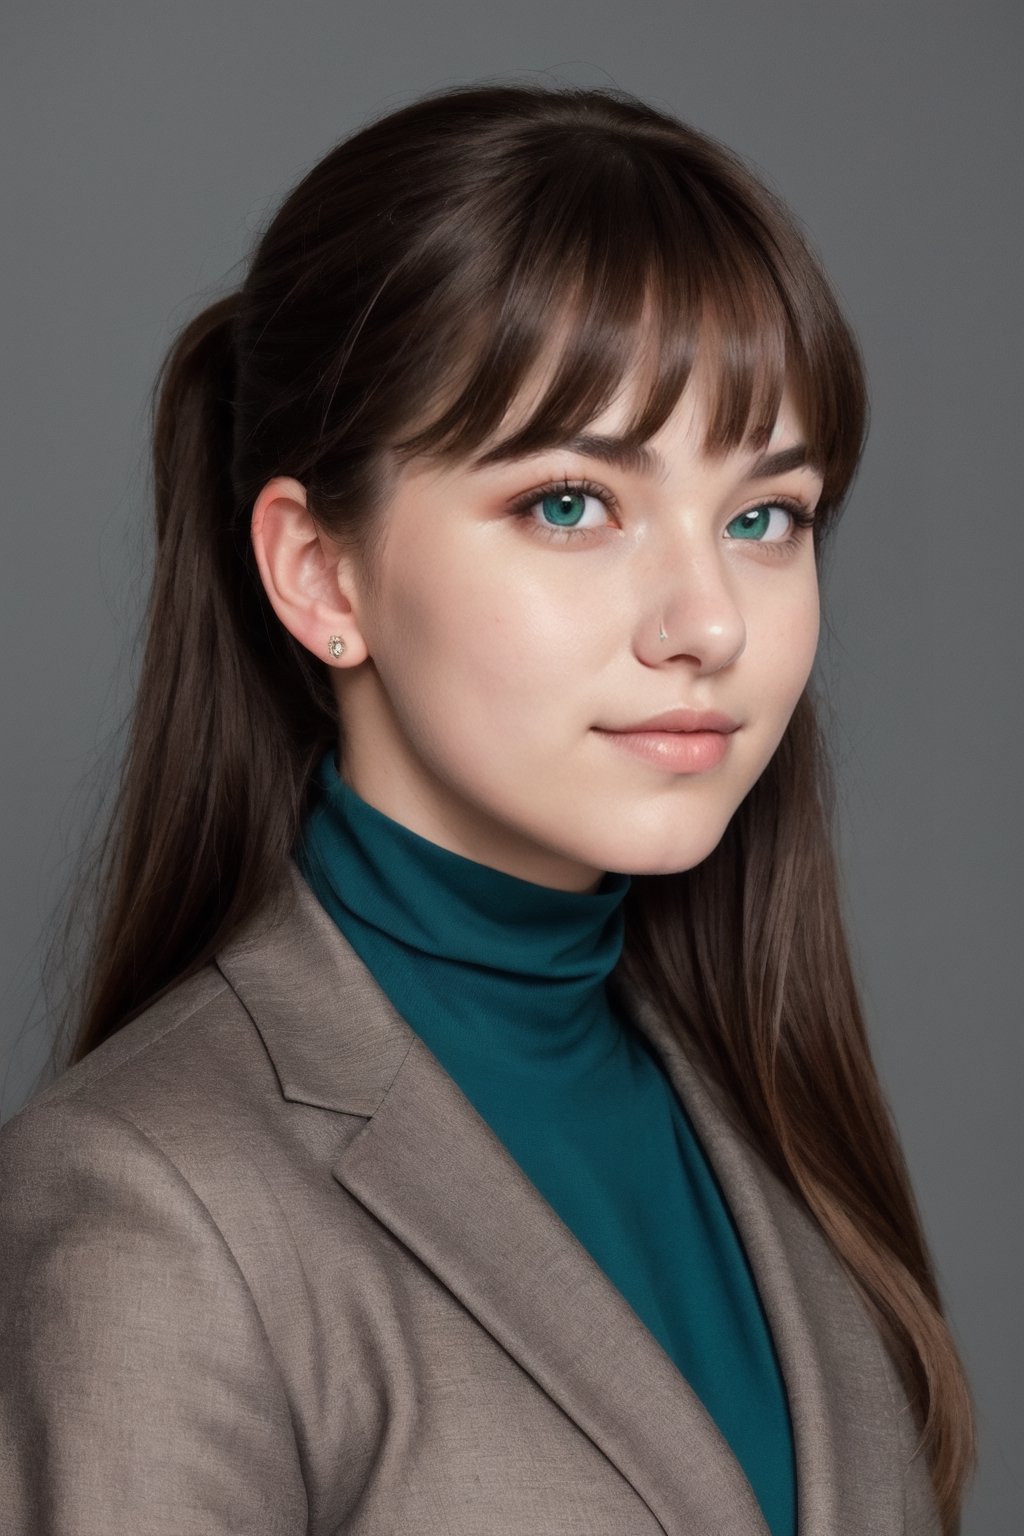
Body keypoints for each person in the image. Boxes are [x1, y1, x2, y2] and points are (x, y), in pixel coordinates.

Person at [0, 82, 974, 1535]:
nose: (708, 622)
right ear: (321, 575)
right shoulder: (153, 1206)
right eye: (572, 503)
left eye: (763, 516)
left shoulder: (781, 1136)